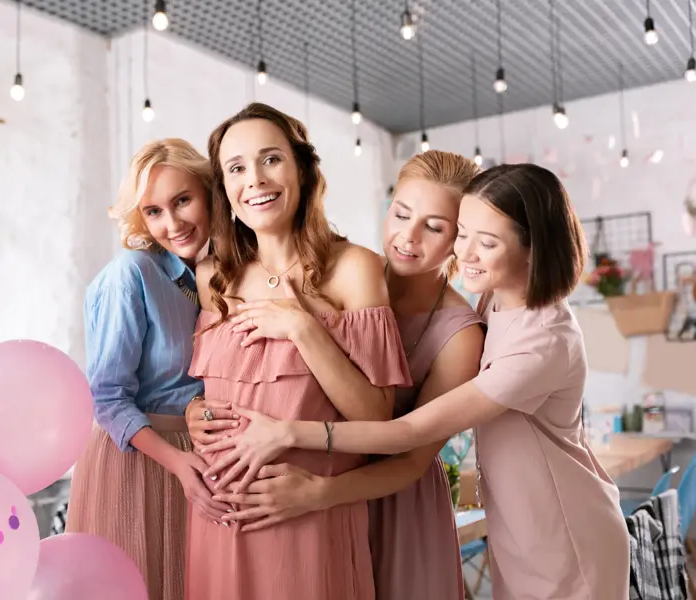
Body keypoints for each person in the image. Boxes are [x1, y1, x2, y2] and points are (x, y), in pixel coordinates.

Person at [203, 163, 631, 600]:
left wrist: (289, 436)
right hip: (512, 522)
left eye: (480, 241)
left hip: (563, 533)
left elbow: (408, 434)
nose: (465, 253)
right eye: (464, 234)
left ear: (533, 250)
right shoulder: (491, 297)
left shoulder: (532, 340)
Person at [188, 150, 484, 600]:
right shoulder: (344, 277)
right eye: (401, 214)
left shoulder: (459, 336)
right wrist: (197, 408)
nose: (408, 236)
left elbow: (409, 457)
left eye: (435, 227)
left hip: (391, 504)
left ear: (460, 239)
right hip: (313, 503)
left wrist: (318, 493)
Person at [185, 102, 412, 600]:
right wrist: (191, 411)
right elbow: (214, 392)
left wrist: (304, 330)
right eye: (236, 168)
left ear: (303, 169)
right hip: (218, 519)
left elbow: (376, 420)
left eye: (271, 160)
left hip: (307, 518)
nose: (255, 181)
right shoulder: (212, 279)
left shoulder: (355, 269)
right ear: (224, 188)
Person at [64, 138, 230, 600]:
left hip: (199, 458)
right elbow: (108, 397)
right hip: (140, 459)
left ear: (209, 192)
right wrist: (177, 462)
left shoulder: (223, 273)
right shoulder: (132, 274)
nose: (172, 223)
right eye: (154, 211)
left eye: (182, 201)